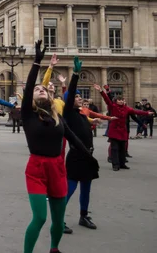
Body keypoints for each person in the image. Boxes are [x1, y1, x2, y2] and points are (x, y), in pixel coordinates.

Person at [21, 41, 98, 253]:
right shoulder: (28, 115)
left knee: (58, 219)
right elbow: (29, 88)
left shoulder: (57, 118)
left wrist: (89, 156)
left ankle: (54, 248)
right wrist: (37, 61)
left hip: (57, 169)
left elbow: (73, 138)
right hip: (36, 170)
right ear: (33, 98)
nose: (40, 90)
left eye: (43, 88)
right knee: (40, 218)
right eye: (37, 90)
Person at [61, 57, 101, 234]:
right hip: (76, 156)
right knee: (70, 189)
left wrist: (94, 123)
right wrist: (75, 75)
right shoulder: (68, 112)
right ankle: (59, 218)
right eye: (75, 96)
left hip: (88, 156)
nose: (79, 98)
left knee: (87, 188)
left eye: (79, 95)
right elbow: (68, 99)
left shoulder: (82, 114)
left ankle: (83, 215)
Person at [94, 84, 152, 171]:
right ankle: (115, 165)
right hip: (114, 131)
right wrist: (101, 91)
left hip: (123, 131)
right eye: (119, 100)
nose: (121, 101)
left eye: (122, 100)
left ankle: (122, 164)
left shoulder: (127, 108)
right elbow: (107, 99)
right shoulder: (112, 106)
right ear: (116, 101)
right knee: (114, 149)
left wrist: (147, 113)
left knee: (122, 149)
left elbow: (136, 111)